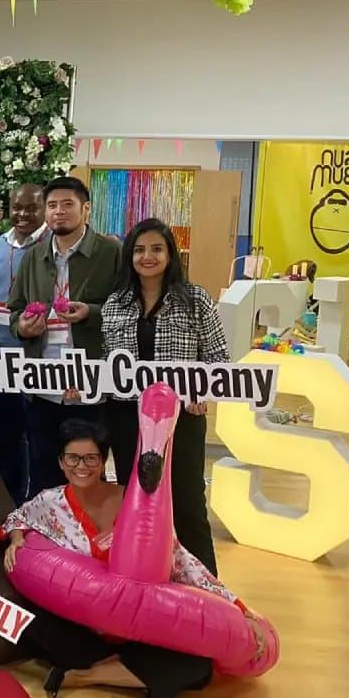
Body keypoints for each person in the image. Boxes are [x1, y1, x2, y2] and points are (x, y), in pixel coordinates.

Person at [2, 420, 265, 698]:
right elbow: (18, 518)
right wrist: (16, 539)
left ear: (103, 462)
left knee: (199, 667)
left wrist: (239, 608)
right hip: (87, 626)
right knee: (35, 625)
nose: (82, 466)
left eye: (91, 458)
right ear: (61, 463)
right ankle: (128, 672)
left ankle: (88, 676)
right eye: (73, 458)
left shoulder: (136, 502)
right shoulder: (50, 502)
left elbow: (181, 560)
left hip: (143, 626)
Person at [101, 218, 230, 574]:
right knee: (136, 500)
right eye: (140, 250)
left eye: (157, 248)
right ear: (129, 256)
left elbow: (218, 358)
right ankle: (142, 577)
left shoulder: (196, 299)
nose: (148, 257)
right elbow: (105, 364)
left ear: (170, 254)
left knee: (187, 503)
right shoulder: (115, 304)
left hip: (182, 420)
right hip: (127, 418)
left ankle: (207, 587)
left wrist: (199, 390)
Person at [8, 175, 120, 498]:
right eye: (52, 205)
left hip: (90, 382)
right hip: (43, 382)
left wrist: (91, 313)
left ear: (86, 209)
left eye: (67, 205)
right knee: (44, 466)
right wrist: (22, 326)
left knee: (87, 468)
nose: (58, 212)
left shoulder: (109, 253)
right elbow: (14, 310)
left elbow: (126, 310)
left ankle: (86, 540)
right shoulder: (34, 256)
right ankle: (44, 543)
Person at [0, 183, 45, 505]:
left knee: (35, 434)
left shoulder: (50, 244)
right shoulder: (2, 243)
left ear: (43, 208)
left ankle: (34, 502)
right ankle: (7, 503)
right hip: (0, 354)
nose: (23, 214)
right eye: (17, 207)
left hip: (36, 356)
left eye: (31, 208)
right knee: (6, 433)